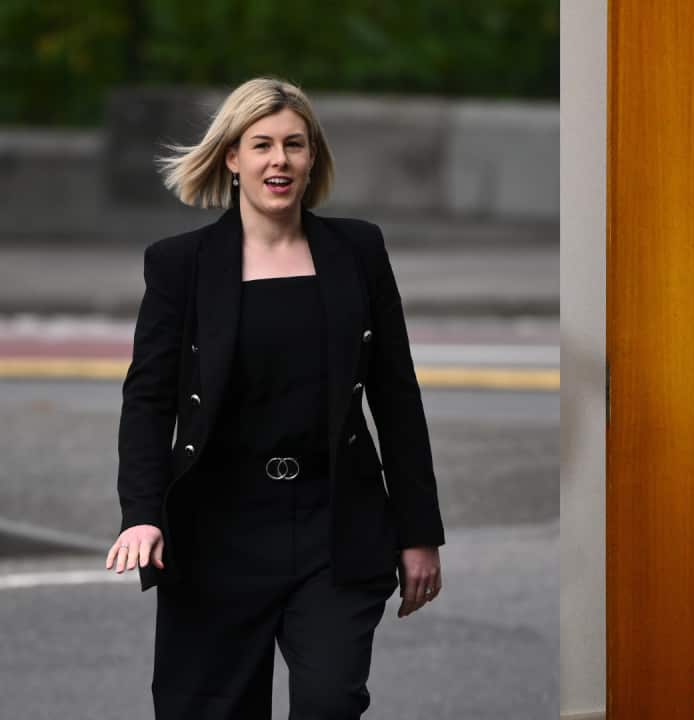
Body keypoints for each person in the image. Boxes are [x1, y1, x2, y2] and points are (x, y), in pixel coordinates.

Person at [104, 77, 445, 719]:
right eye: (260, 144)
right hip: (216, 531)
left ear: (313, 156)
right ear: (232, 158)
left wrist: (419, 531)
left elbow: (396, 396)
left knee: (329, 702)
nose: (278, 161)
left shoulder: (358, 251)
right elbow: (148, 400)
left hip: (333, 525)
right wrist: (142, 513)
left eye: (294, 144)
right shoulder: (181, 265)